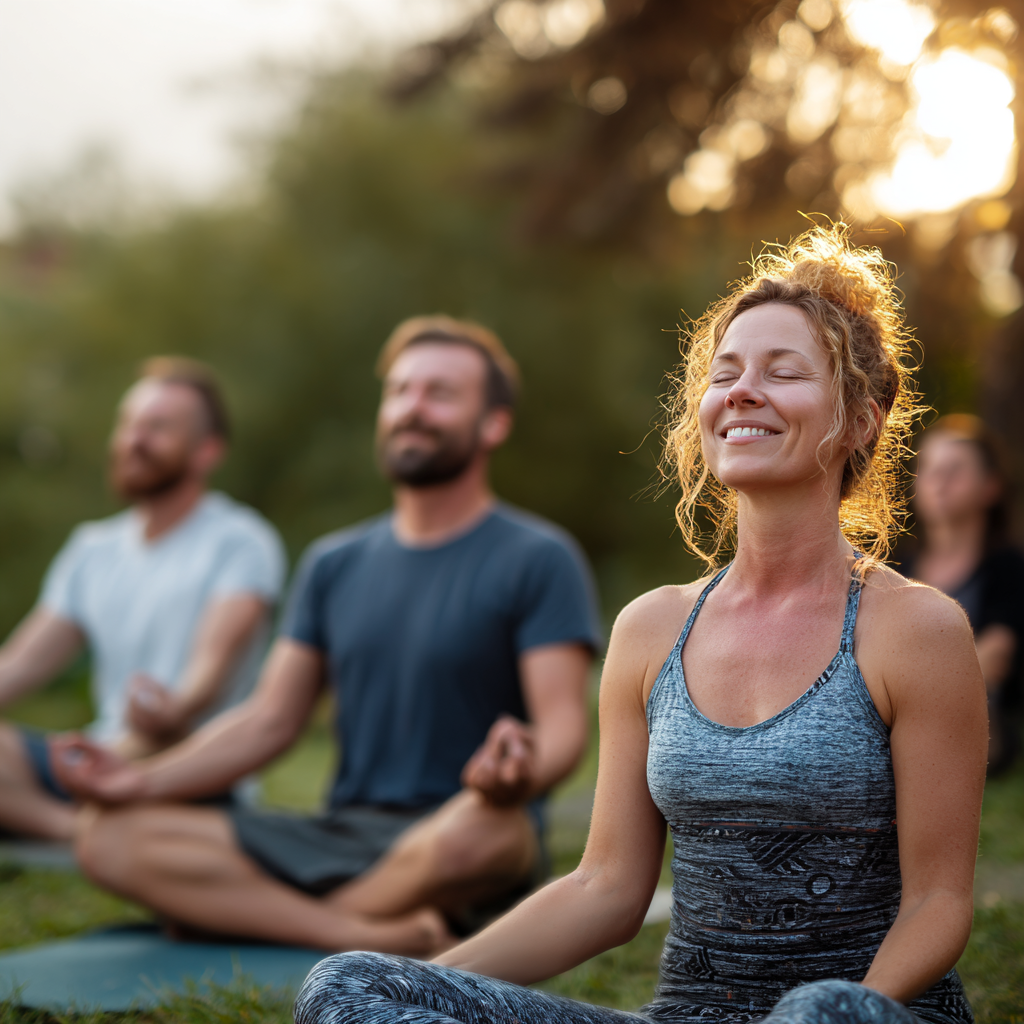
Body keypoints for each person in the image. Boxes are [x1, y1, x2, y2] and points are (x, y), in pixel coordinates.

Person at [292, 227, 987, 1024]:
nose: (742, 391)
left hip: (856, 1014)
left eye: (783, 371)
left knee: (817, 1011)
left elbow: (938, 902)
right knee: (346, 984)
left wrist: (848, 1007)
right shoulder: (652, 629)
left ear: (861, 419)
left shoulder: (914, 629)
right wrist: (420, 989)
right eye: (725, 373)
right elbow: (607, 886)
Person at [55, 316, 601, 956]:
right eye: (399, 391)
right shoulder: (332, 563)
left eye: (440, 394)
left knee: (490, 835)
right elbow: (268, 721)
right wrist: (139, 781)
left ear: (493, 425)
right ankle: (358, 932)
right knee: (107, 834)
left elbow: (563, 730)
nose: (412, 408)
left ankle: (250, 920)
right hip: (337, 834)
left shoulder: (539, 559)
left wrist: (517, 774)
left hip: (458, 828)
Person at [0, 357, 286, 841]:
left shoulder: (240, 542)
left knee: (157, 744)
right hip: (96, 756)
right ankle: (79, 832)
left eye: (158, 427)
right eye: (128, 424)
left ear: (206, 452)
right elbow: (20, 664)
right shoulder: (92, 549)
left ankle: (74, 825)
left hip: (183, 767)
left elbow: (206, 681)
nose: (135, 439)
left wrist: (171, 710)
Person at [897, 414, 1024, 775]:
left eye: (954, 470)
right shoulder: (893, 571)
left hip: (979, 718)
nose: (938, 480)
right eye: (929, 468)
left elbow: (993, 658)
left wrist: (909, 705)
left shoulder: (1009, 568)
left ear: (990, 487)